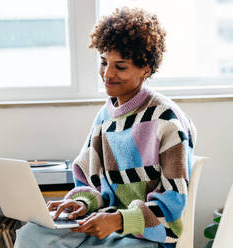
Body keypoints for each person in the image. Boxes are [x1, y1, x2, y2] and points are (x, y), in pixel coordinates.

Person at [14, 7, 196, 248]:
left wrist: (119, 220)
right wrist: (81, 203)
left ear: (145, 69)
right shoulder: (104, 117)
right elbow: (90, 182)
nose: (107, 74)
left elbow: (172, 203)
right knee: (30, 235)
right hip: (105, 223)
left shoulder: (166, 120)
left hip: (146, 233)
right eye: (103, 62)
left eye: (120, 67)